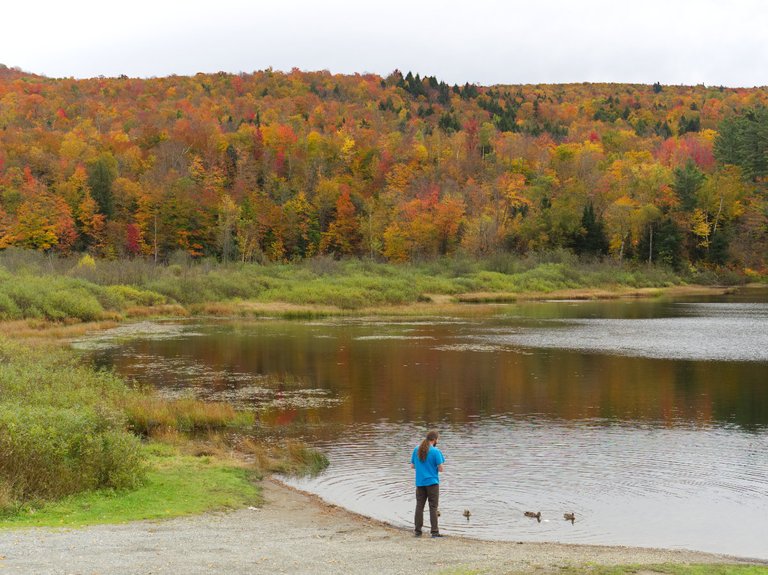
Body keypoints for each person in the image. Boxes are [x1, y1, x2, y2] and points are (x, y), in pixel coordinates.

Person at [410, 429, 445, 538]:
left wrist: (421, 467)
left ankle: (417, 531)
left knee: (419, 506)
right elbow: (441, 469)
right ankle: (434, 532)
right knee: (433, 507)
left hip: (420, 483)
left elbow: (412, 466)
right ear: (434, 440)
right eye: (437, 439)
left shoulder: (417, 449)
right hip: (432, 483)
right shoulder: (436, 451)